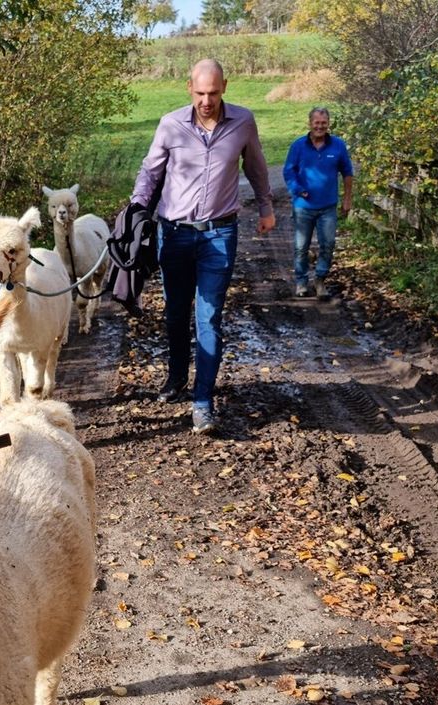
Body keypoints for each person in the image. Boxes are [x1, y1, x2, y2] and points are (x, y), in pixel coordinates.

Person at [130, 59, 275, 435]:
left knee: (209, 318)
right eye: (200, 93)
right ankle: (177, 375)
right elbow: (150, 171)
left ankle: (203, 402)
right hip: (174, 234)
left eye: (213, 92)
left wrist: (266, 206)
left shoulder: (243, 122)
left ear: (225, 86)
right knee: (176, 313)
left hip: (219, 234)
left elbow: (256, 167)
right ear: (189, 88)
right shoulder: (170, 124)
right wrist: (136, 209)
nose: (206, 101)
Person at [282, 107, 354, 299]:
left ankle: (320, 279)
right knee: (301, 247)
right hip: (303, 206)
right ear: (310, 123)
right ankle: (301, 282)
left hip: (328, 207)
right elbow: (289, 171)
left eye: (324, 123)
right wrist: (298, 189)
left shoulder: (338, 145)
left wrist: (347, 199)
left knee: (328, 244)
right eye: (317, 123)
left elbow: (347, 173)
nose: (320, 127)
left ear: (328, 124)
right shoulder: (298, 146)